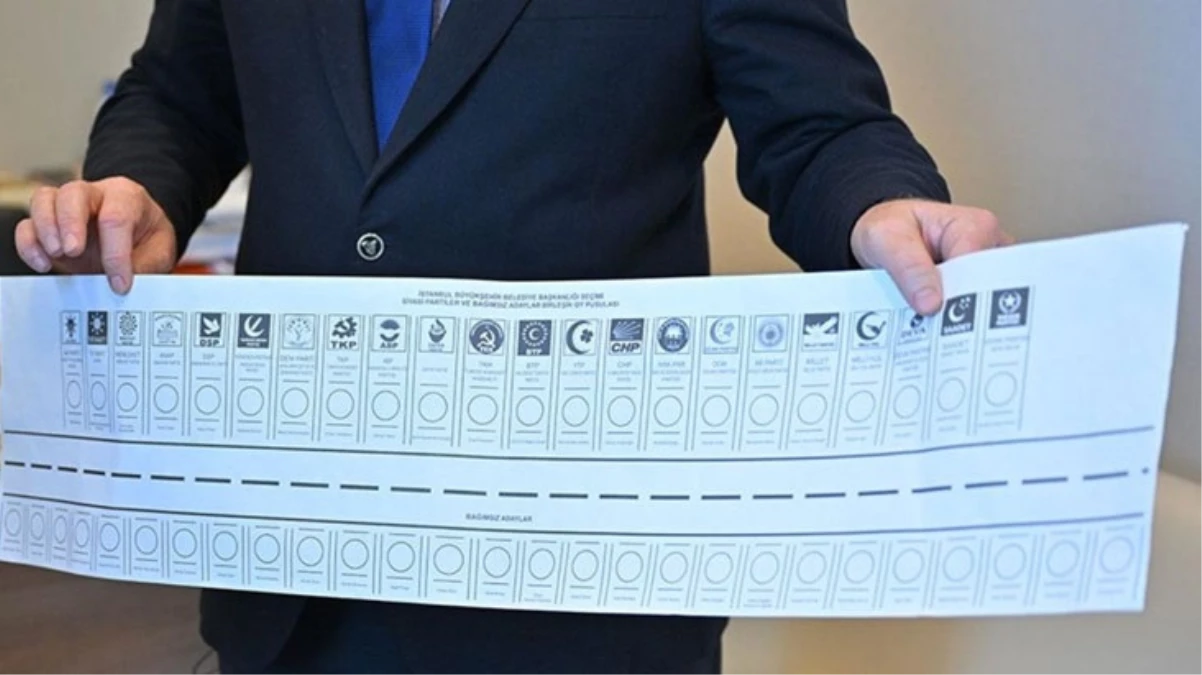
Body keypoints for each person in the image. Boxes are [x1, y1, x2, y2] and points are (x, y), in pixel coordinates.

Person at [14, 1, 1012, 673]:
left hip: (575, 591)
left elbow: (819, 127)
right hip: (289, 571)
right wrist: (140, 184)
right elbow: (180, 92)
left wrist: (880, 203)